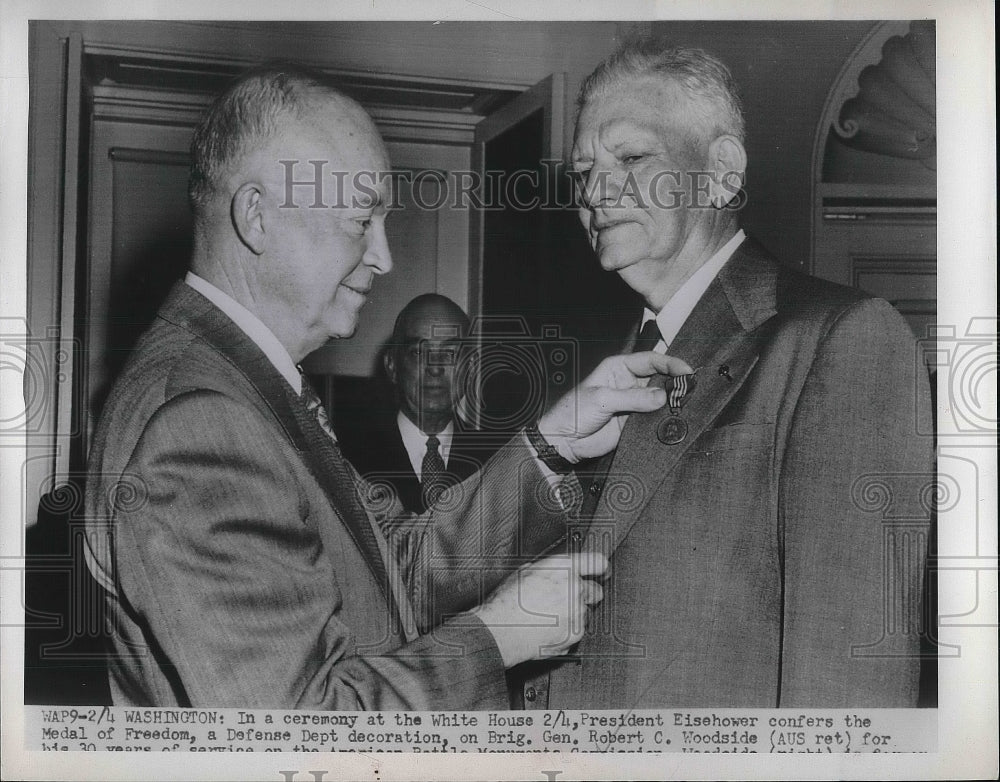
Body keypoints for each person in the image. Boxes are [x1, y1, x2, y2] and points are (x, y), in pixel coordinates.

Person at [81, 63, 688, 710]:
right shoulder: (200, 424)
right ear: (257, 216)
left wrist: (554, 441)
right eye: (360, 220)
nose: (385, 256)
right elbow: (303, 729)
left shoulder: (240, 386)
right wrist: (499, 637)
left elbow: (392, 567)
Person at [514, 41, 934, 709]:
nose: (594, 192)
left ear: (721, 171)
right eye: (583, 170)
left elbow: (849, 690)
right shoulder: (608, 370)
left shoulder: (840, 340)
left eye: (631, 158)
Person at [341, 294, 495, 514]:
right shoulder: (347, 460)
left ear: (470, 368)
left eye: (450, 353)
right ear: (392, 366)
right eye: (419, 352)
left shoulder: (495, 463)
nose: (435, 368)